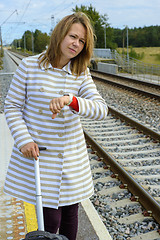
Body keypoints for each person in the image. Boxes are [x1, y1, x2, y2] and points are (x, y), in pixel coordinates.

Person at [4, 12, 108, 240]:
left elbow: (101, 109)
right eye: (73, 36)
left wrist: (71, 100)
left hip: (71, 159)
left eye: (82, 41)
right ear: (60, 34)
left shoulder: (80, 73)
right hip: (40, 156)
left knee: (71, 213)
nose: (76, 44)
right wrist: (24, 140)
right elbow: (11, 107)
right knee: (50, 220)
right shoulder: (29, 66)